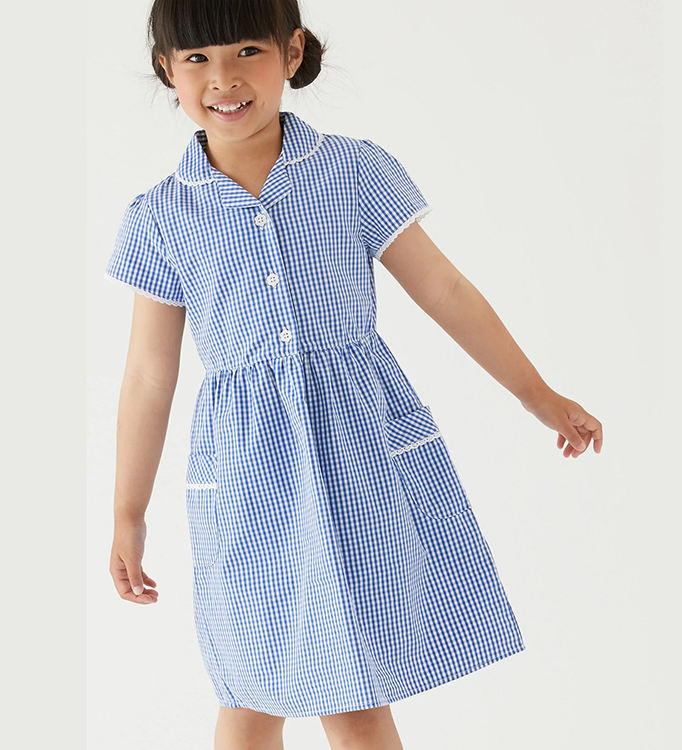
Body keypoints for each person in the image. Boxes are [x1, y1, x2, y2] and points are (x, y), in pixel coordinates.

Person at [105, 0, 603, 748]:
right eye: (198, 59)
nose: (224, 78)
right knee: (250, 692)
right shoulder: (160, 217)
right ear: (166, 69)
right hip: (248, 478)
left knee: (357, 692)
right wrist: (128, 511)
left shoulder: (352, 171)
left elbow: (445, 290)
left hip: (359, 460)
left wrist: (538, 395)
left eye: (247, 51)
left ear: (292, 52)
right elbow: (149, 374)